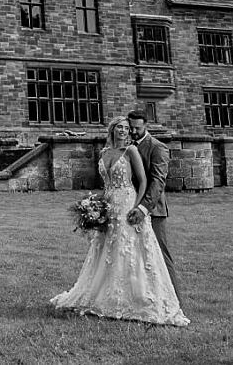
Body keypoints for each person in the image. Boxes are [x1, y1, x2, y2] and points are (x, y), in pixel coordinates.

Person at [49, 115, 188, 326]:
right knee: (108, 250)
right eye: (121, 127)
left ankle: (162, 299)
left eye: (129, 128)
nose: (126, 131)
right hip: (110, 205)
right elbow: (106, 184)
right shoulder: (105, 152)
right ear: (113, 130)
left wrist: (139, 207)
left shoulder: (141, 149)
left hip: (134, 205)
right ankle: (107, 295)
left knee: (143, 252)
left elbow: (150, 181)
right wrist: (95, 207)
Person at [126, 109, 181, 301]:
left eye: (137, 128)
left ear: (146, 126)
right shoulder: (127, 146)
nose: (133, 132)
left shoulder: (157, 147)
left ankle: (175, 300)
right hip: (129, 207)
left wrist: (143, 208)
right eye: (130, 128)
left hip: (152, 210)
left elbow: (158, 182)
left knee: (160, 255)